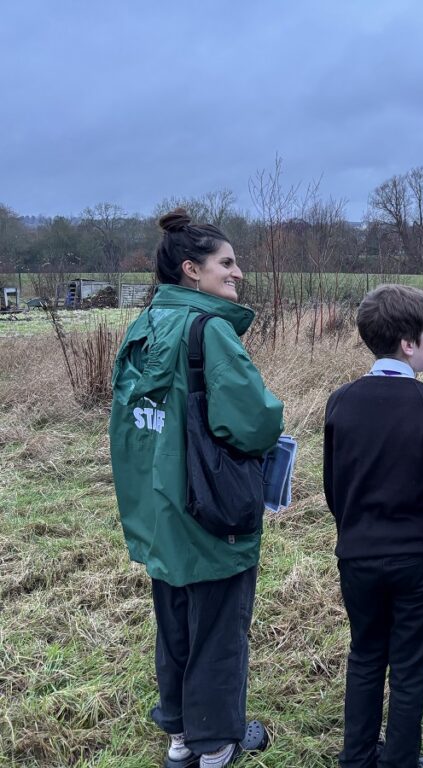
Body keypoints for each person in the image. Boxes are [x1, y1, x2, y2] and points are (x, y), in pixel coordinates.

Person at [109, 209, 284, 768]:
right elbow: (254, 422)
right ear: (191, 269)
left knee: (175, 624)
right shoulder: (210, 332)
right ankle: (217, 743)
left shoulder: (143, 328)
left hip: (158, 506)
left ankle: (180, 736)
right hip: (210, 509)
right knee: (219, 630)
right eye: (226, 263)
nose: (238, 273)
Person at [323, 284, 423, 768]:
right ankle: (401, 760)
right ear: (408, 343)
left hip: (357, 555)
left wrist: (354, 530)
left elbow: (334, 486)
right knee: (410, 665)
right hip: (418, 559)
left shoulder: (340, 401)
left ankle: (357, 757)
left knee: (365, 655)